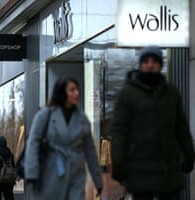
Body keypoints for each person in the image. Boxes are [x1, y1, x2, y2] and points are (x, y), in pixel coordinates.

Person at [111, 46, 195, 200]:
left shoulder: (171, 92)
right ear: (140, 65)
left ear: (160, 65)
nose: (150, 65)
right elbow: (119, 130)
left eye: (154, 61)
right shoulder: (127, 94)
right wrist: (117, 162)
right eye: (146, 61)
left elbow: (181, 126)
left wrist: (189, 154)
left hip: (168, 171)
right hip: (140, 170)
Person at [24, 77, 103, 200]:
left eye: (77, 89)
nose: (77, 93)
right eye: (72, 90)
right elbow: (33, 143)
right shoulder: (45, 115)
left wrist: (98, 180)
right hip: (50, 173)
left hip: (76, 174)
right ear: (61, 93)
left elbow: (90, 151)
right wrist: (31, 174)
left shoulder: (82, 119)